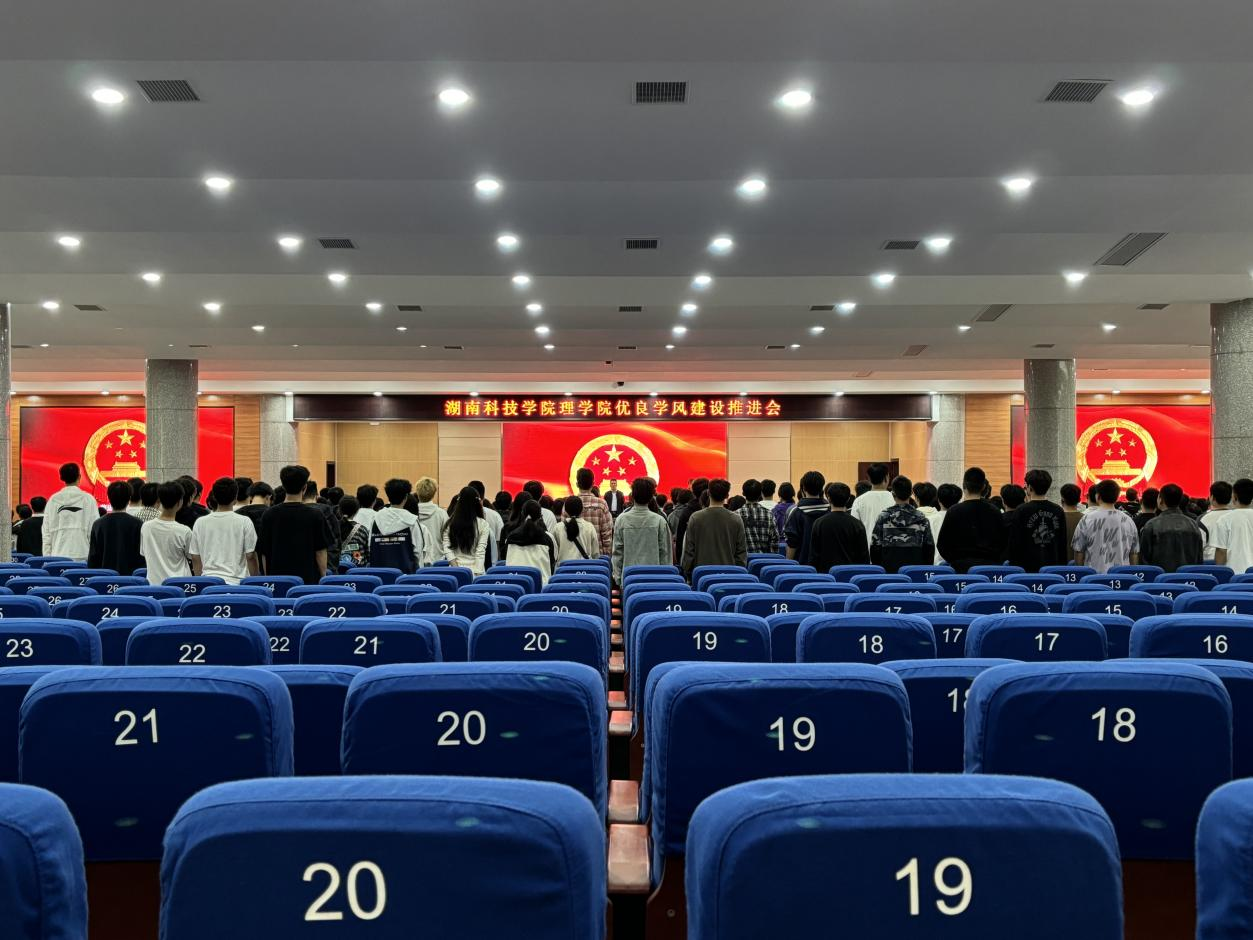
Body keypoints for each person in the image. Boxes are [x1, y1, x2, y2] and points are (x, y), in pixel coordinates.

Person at [256, 465, 331, 584]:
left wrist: (267, 578)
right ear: (304, 488)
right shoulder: (315, 515)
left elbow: (263, 552)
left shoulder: (269, 514)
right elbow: (320, 551)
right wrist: (323, 578)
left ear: (283, 486)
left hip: (277, 581)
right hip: (308, 581)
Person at [936, 467, 1009, 573]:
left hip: (960, 569)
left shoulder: (954, 511)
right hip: (990, 568)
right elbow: (1003, 542)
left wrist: (955, 561)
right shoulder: (995, 511)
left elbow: (942, 544)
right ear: (983, 486)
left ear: (964, 486)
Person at [189, 477, 260, 584]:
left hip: (209, 583)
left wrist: (201, 581)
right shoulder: (244, 521)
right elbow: (250, 556)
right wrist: (254, 580)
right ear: (235, 498)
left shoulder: (200, 522)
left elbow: (195, 556)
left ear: (214, 497)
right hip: (237, 583)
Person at [1004, 469, 1068, 572]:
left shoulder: (1021, 510)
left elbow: (1014, 543)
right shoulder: (1058, 510)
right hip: (1052, 568)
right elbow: (1062, 542)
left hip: (1026, 569)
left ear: (1029, 487)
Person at [680, 478, 748, 576]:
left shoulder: (695, 518)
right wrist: (737, 572)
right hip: (729, 574)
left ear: (708, 493)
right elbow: (741, 552)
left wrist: (688, 572)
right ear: (727, 496)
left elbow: (689, 551)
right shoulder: (736, 519)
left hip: (701, 574)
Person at [1072, 479, 1141, 573]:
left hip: (1094, 578)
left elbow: (1078, 551)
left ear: (1098, 496)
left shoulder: (1087, 519)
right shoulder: (1128, 521)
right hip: (1121, 577)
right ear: (1117, 497)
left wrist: (1081, 574)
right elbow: (1134, 554)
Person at [612, 477, 673, 583]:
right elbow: (665, 554)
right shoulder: (659, 521)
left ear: (632, 496)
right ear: (651, 497)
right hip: (655, 579)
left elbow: (617, 552)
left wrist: (618, 579)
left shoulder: (621, 520)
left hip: (629, 578)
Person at [870, 475, 935, 573]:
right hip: (915, 571)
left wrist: (881, 569)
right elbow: (929, 549)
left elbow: (875, 547)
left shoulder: (884, 517)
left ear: (893, 494)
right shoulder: (922, 519)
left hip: (889, 571)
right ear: (911, 493)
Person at [367, 478, 430, 575]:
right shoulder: (412, 521)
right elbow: (418, 551)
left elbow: (370, 546)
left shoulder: (376, 518)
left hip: (379, 575)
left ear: (388, 496)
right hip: (405, 577)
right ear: (406, 497)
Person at [1139, 482, 1205, 573]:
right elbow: (1199, 559)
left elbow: (1144, 560)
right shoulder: (1193, 525)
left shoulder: (1151, 525)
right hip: (1188, 579)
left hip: (1160, 579)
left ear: (1160, 500)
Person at [808, 482, 871, 572]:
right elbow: (864, 557)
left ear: (829, 498)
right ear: (848, 499)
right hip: (850, 575)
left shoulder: (819, 523)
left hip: (825, 575)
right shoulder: (857, 524)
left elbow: (813, 556)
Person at [140, 481, 192, 585]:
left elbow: (143, 553)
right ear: (179, 502)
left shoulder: (146, 527)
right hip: (180, 585)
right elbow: (191, 556)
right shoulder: (184, 531)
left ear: (159, 500)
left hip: (153, 585)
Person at [43, 462, 98, 561]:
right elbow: (94, 531)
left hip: (57, 556)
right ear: (79, 477)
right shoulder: (88, 499)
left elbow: (46, 533)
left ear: (61, 478)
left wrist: (47, 558)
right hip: (83, 555)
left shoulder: (53, 500)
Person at [87, 481, 145, 575]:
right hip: (130, 579)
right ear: (129, 499)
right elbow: (142, 557)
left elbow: (93, 559)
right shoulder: (138, 524)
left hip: (104, 579)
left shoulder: (98, 524)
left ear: (109, 498)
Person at [504, 500, 556, 583]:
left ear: (522, 514)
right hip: (541, 587)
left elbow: (506, 560)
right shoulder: (547, 539)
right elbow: (552, 565)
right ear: (540, 517)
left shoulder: (511, 537)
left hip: (516, 585)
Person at [784, 471, 829, 565]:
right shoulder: (830, 511)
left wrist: (788, 564)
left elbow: (792, 543)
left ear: (803, 488)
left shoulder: (796, 512)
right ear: (822, 488)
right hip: (828, 567)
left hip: (803, 566)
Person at [442, 485, 490, 575]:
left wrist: (457, 570)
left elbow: (447, 549)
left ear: (459, 502)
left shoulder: (450, 523)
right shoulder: (483, 524)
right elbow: (480, 551)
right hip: (476, 570)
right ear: (477, 502)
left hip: (454, 571)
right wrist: (478, 573)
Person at [570, 468, 613, 556]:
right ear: (593, 484)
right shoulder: (601, 504)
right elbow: (607, 534)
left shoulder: (568, 504)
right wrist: (607, 555)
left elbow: (564, 531)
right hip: (597, 557)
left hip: (573, 557)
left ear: (577, 484)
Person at [850, 463, 896, 547]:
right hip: (891, 548)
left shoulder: (859, 500)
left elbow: (853, 528)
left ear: (869, 479)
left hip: (866, 548)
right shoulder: (894, 499)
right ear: (886, 478)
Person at [1215, 478, 1253, 573]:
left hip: (1234, 574)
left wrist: (1219, 573)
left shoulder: (1224, 520)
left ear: (1234, 496)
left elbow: (1221, 551)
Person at [302, 480, 342, 564]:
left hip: (301, 563)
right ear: (317, 495)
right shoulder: (327, 510)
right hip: (326, 563)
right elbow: (336, 538)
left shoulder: (294, 511)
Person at [551, 495, 599, 563]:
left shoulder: (557, 528)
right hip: (585, 567)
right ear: (582, 510)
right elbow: (595, 553)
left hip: (564, 568)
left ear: (565, 511)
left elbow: (554, 553)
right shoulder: (589, 527)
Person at [737, 479, 778, 555]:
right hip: (765, 560)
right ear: (760, 494)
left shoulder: (736, 515)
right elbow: (775, 540)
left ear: (743, 493)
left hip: (743, 560)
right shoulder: (769, 514)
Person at [673, 477, 710, 563]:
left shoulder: (686, 512)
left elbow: (680, 538)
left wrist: (681, 561)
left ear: (693, 492)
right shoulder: (717, 513)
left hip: (691, 561)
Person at [1200, 481, 1233, 563]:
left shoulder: (1203, 519)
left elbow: (1199, 546)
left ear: (1212, 497)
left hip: (1209, 565)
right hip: (1233, 562)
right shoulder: (1236, 517)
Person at [336, 496, 371, 570]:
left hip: (336, 571)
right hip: (358, 571)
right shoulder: (362, 530)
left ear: (339, 510)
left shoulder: (332, 528)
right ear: (357, 511)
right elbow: (368, 555)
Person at [1057, 483, 1085, 562]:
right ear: (1079, 500)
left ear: (1062, 500)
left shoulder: (1056, 518)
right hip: (1081, 564)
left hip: (1059, 564)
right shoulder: (1086, 519)